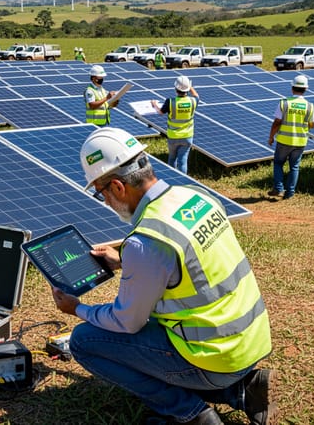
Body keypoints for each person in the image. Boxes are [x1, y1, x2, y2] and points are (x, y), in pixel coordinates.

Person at [51, 127, 276, 425]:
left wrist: (76, 308)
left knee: (82, 341)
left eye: (101, 192)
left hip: (213, 356)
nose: (104, 201)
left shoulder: (147, 241)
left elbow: (127, 321)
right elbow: (194, 266)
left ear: (118, 187)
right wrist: (121, 262)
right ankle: (244, 389)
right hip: (249, 341)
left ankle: (191, 415)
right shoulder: (195, 196)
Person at [267, 74, 314, 200]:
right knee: (294, 167)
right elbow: (312, 124)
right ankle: (290, 193)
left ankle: (278, 188)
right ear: (305, 89)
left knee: (278, 163)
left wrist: (271, 136)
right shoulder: (310, 106)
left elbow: (277, 122)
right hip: (300, 142)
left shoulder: (284, 103)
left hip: (284, 140)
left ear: (292, 88)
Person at [152, 75, 199, 174]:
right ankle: (182, 181)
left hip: (173, 136)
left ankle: (171, 177)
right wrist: (189, 86)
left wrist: (154, 104)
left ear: (175, 88)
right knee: (183, 161)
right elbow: (196, 96)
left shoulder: (170, 102)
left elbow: (160, 112)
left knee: (172, 158)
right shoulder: (193, 101)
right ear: (187, 89)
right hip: (187, 136)